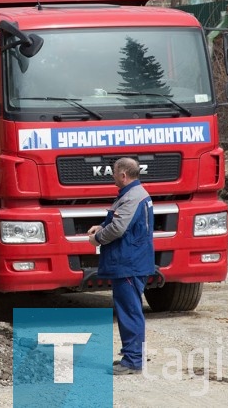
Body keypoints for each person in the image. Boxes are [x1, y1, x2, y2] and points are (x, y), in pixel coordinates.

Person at [87, 156, 155, 375]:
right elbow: (119, 222)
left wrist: (97, 239)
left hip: (128, 263)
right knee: (129, 309)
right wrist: (101, 226)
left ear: (123, 175)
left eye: (114, 172)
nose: (112, 176)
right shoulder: (134, 194)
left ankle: (133, 361)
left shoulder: (132, 197)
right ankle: (131, 356)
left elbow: (118, 229)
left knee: (130, 311)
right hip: (131, 262)